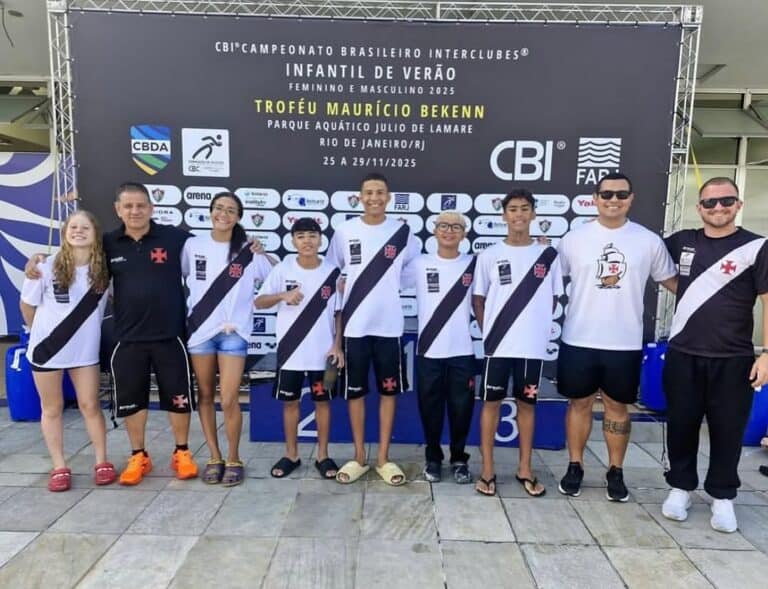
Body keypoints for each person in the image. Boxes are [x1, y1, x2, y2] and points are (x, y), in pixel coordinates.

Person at [557, 172, 677, 501]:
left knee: (616, 407)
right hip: (578, 338)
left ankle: (615, 470)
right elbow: (547, 283)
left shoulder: (648, 240)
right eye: (606, 194)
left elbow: (675, 284)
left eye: (620, 195)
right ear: (594, 199)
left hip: (623, 342)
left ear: (631, 198)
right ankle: (575, 465)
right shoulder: (573, 239)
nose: (613, 200)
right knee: (579, 403)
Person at [661, 177, 768, 532]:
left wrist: (766, 353)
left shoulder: (757, 247)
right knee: (681, 424)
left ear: (738, 205)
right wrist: (688, 293)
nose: (718, 208)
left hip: (733, 358)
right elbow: (650, 260)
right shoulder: (682, 241)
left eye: (726, 201)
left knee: (727, 429)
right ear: (699, 208)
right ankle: (681, 487)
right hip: (683, 353)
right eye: (710, 203)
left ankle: (723, 495)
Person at [326, 172, 421, 485]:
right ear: (359, 196)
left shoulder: (404, 234)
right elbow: (335, 271)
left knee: (388, 392)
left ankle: (382, 458)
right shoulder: (344, 231)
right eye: (369, 192)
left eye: (380, 192)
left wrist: (388, 286)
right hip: (354, 326)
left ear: (389, 197)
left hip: (389, 327)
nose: (374, 198)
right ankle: (359, 457)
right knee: (355, 393)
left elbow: (413, 273)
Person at [472, 190, 562, 497]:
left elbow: (552, 299)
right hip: (498, 346)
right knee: (490, 405)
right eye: (513, 209)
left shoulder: (547, 256)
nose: (519, 214)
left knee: (527, 406)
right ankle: (487, 470)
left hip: (531, 348)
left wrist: (533, 330)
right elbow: (479, 299)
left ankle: (525, 468)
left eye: (525, 209)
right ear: (504, 215)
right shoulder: (489, 255)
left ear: (534, 214)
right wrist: (492, 334)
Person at [182, 192, 275, 486]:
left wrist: (263, 252)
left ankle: (234, 457)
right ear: (211, 212)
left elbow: (276, 274)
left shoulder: (247, 251)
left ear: (238, 217)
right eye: (219, 208)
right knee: (206, 396)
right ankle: (214, 456)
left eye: (231, 210)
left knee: (231, 398)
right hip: (200, 333)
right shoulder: (192, 245)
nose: (224, 214)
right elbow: (178, 276)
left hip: (234, 334)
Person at [19, 210, 114, 492]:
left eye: (85, 227)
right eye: (73, 227)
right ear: (64, 233)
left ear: (95, 234)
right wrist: (40, 334)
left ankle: (101, 461)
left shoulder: (105, 271)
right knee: (52, 408)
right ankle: (59, 466)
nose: (79, 231)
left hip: (84, 353)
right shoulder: (45, 267)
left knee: (90, 406)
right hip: (47, 351)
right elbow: (27, 305)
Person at [255, 218, 343, 480]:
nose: (307, 241)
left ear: (320, 240)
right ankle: (291, 454)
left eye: (312, 235)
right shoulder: (282, 269)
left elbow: (340, 313)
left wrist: (337, 346)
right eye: (301, 236)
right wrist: (283, 295)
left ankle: (323, 456)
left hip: (324, 354)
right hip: (290, 352)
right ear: (293, 241)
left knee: (323, 404)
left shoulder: (332, 271)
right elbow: (259, 302)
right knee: (290, 404)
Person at [401, 211, 477, 484]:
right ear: (434, 230)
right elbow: (386, 280)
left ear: (464, 233)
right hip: (428, 351)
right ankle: (433, 458)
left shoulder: (474, 264)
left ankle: (459, 458)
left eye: (456, 227)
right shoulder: (419, 264)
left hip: (462, 351)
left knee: (462, 409)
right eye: (443, 226)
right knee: (430, 408)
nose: (449, 231)